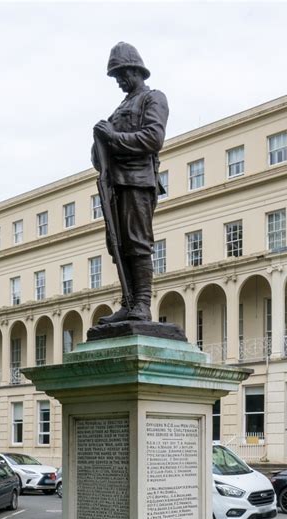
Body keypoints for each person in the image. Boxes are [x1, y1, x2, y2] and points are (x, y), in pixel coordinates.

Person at [92, 42, 169, 323]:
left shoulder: (153, 99)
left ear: (135, 70)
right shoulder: (119, 109)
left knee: (137, 242)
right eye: (116, 77)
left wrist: (112, 138)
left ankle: (143, 304)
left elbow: (153, 138)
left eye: (121, 75)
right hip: (116, 184)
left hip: (138, 181)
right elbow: (99, 157)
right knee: (118, 245)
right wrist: (100, 140)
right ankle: (128, 302)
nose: (119, 82)